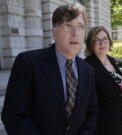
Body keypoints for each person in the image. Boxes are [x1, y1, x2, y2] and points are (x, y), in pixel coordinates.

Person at [1, 3, 98, 135]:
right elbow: (14, 115)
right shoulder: (27, 63)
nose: (75, 33)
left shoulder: (88, 70)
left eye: (80, 27)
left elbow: (92, 112)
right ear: (54, 33)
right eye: (67, 26)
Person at [85, 26, 122, 135]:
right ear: (91, 44)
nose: (102, 43)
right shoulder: (87, 66)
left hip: (120, 120)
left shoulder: (111, 60)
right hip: (103, 126)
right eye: (97, 40)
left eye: (105, 39)